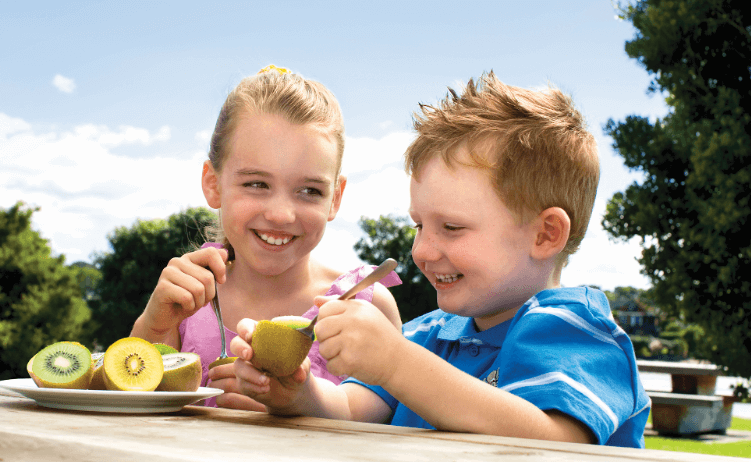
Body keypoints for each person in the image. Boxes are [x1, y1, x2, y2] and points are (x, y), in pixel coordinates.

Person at [229, 71, 650, 447]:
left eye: (451, 228)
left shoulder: (575, 331)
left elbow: (553, 442)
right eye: (419, 226)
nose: (422, 251)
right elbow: (351, 408)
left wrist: (395, 362)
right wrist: (296, 393)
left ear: (545, 234)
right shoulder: (430, 335)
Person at [130, 65, 402, 411]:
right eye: (257, 184)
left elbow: (374, 416)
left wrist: (300, 398)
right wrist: (152, 329)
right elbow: (132, 398)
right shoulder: (186, 300)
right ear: (213, 184)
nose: (281, 214)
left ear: (335, 198)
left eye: (309, 190)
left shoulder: (364, 305)